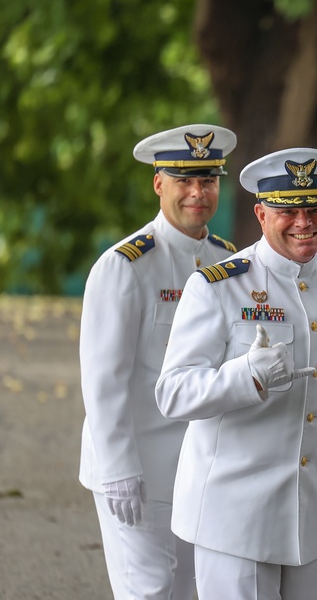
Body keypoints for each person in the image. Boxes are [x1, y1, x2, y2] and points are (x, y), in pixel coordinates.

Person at [155, 147, 317, 599]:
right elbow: (173, 393)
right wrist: (247, 376)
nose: (305, 221)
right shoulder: (219, 286)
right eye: (290, 210)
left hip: (311, 515)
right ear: (262, 214)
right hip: (233, 516)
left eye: (316, 208)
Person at [79, 124, 238, 599]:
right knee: (148, 591)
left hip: (203, 471)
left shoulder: (228, 263)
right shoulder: (125, 266)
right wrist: (118, 468)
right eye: (183, 180)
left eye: (207, 180)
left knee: (192, 592)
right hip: (140, 469)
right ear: (158, 184)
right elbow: (104, 381)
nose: (197, 192)